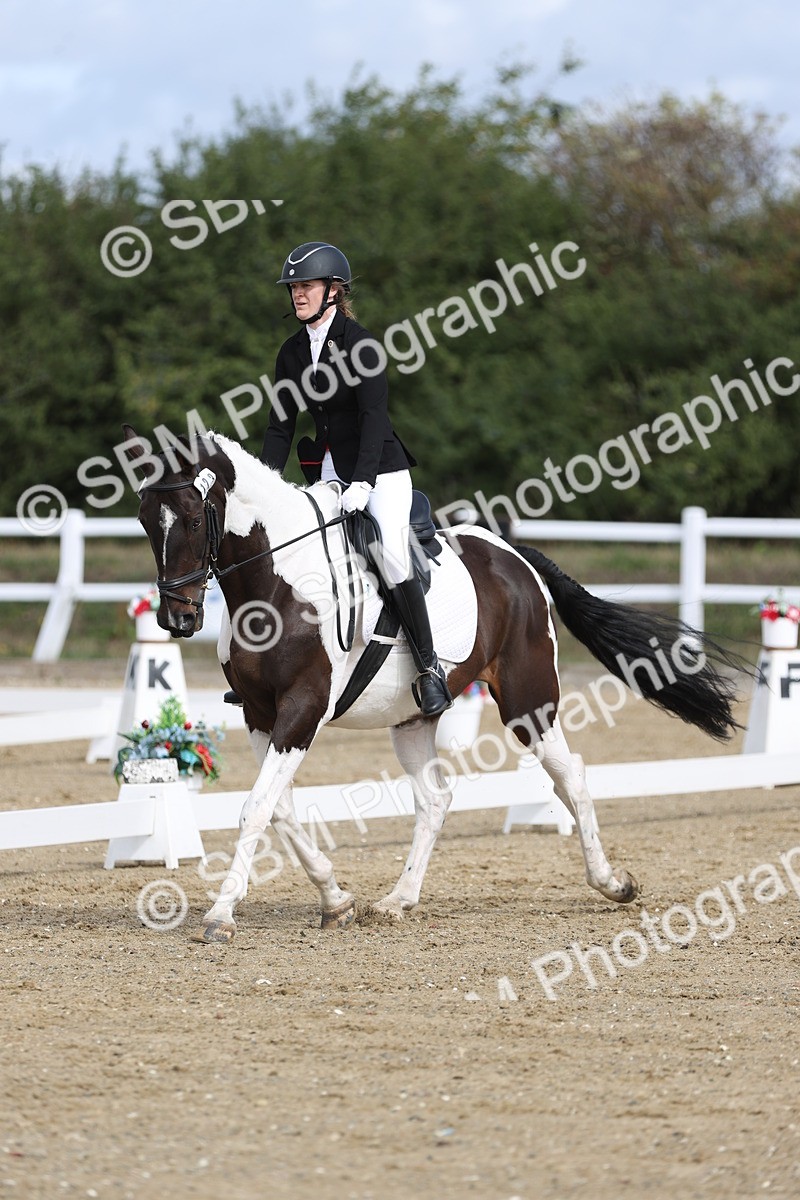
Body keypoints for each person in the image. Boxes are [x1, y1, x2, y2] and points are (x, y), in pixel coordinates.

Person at [259, 240, 452, 717]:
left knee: (385, 553)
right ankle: (275, 665)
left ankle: (429, 669)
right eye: (293, 288)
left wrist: (362, 483)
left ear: (332, 290)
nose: (297, 294)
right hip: (326, 469)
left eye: (306, 286)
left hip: (380, 470)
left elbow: (374, 419)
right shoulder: (291, 353)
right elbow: (281, 426)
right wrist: (263, 487)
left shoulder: (361, 344)